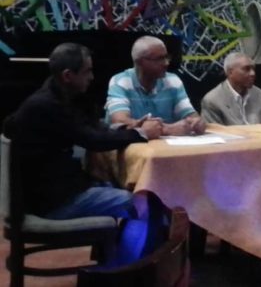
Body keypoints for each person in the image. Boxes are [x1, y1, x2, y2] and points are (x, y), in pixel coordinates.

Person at [3, 43, 162, 219]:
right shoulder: (47, 106)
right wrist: (141, 134)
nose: (92, 77)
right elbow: (94, 141)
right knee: (141, 200)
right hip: (52, 202)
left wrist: (127, 129)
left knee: (124, 188)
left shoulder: (56, 94)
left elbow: (91, 127)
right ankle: (154, 237)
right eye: (87, 71)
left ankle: (120, 237)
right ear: (68, 76)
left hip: (56, 190)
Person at [105, 35, 206, 135]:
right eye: (159, 59)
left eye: (166, 57)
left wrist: (196, 122)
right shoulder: (121, 81)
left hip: (164, 144)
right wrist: (167, 129)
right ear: (139, 62)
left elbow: (190, 115)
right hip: (130, 144)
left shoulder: (173, 81)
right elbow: (120, 123)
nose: (166, 63)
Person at [200, 52, 261, 126]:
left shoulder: (259, 94)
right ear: (230, 72)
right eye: (246, 69)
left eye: (253, 69)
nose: (253, 73)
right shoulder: (212, 100)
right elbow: (214, 133)